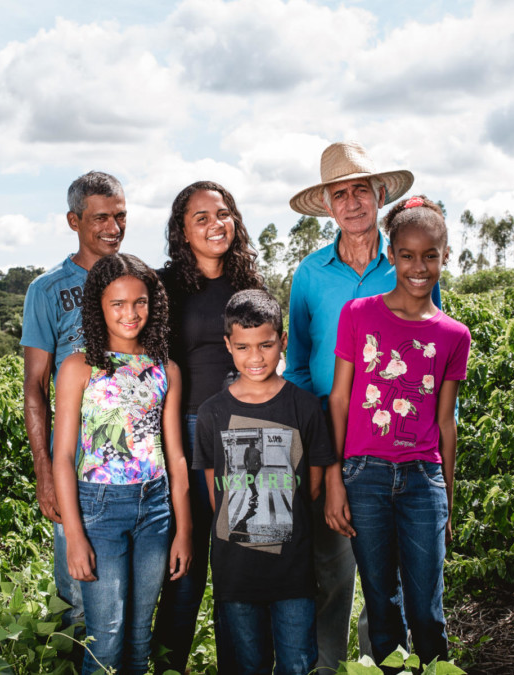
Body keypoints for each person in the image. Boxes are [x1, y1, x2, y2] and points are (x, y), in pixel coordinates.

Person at [286, 141, 441, 669]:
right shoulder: (310, 275)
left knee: (391, 586)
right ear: (328, 206)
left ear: (378, 196)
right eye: (339, 194)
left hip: (401, 454)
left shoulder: (406, 262)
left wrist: (437, 460)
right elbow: (300, 368)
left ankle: (388, 667)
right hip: (336, 447)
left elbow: (433, 361)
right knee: (332, 577)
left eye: (360, 191)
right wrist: (320, 453)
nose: (351, 203)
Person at [326, 196, 470, 668]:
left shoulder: (454, 335)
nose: (418, 266)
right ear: (391, 255)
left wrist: (446, 496)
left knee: (426, 609)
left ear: (445, 256)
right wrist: (334, 480)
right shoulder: (359, 314)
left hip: (422, 479)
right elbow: (341, 399)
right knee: (381, 604)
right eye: (407, 254)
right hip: (364, 476)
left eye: (430, 255)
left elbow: (445, 421)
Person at [51, 253, 193, 675]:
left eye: (140, 302)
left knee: (139, 637)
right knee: (106, 639)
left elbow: (176, 455)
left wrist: (183, 531)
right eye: (118, 304)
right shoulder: (79, 367)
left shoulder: (165, 369)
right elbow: (62, 458)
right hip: (98, 509)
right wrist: (74, 537)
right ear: (98, 306)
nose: (131, 313)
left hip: (155, 510)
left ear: (154, 304)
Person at [194, 290, 335, 675]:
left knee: (297, 663)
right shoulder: (211, 413)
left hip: (293, 575)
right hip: (235, 575)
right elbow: (215, 494)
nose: (255, 357)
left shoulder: (304, 407)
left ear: (283, 341)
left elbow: (315, 487)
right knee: (245, 665)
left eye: (266, 345)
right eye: (242, 346)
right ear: (228, 345)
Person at [154, 181, 264, 673]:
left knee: (242, 567)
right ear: (182, 231)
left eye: (223, 213)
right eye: (200, 217)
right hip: (189, 428)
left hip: (246, 432)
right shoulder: (163, 286)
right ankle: (168, 665)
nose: (215, 223)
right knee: (187, 566)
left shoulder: (250, 287)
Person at [21, 171, 128, 631]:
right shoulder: (46, 291)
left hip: (137, 466)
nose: (113, 227)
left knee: (132, 604)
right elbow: (34, 389)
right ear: (74, 220)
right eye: (100, 217)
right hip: (76, 467)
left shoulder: (137, 280)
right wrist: (44, 472)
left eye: (120, 216)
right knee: (80, 604)